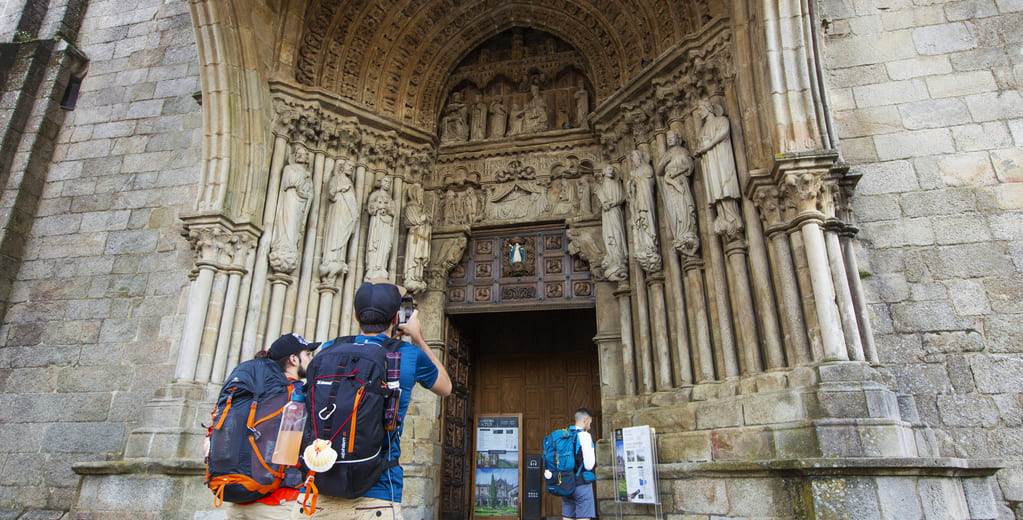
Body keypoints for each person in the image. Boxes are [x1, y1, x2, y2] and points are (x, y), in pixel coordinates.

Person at [295, 281, 452, 519]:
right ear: (397, 317)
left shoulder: (327, 349)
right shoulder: (406, 354)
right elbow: (445, 386)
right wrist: (417, 337)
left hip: (317, 491)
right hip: (378, 494)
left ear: (356, 316)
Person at [223, 333, 318, 520]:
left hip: (237, 502)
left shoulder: (248, 394)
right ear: (293, 359)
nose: (311, 359)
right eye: (308, 354)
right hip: (279, 505)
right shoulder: (297, 395)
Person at [561, 408, 596, 520]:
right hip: (581, 484)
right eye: (590, 422)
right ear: (585, 419)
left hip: (566, 484)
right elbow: (589, 465)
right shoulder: (585, 436)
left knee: (567, 517)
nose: (590, 426)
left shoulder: (563, 435)